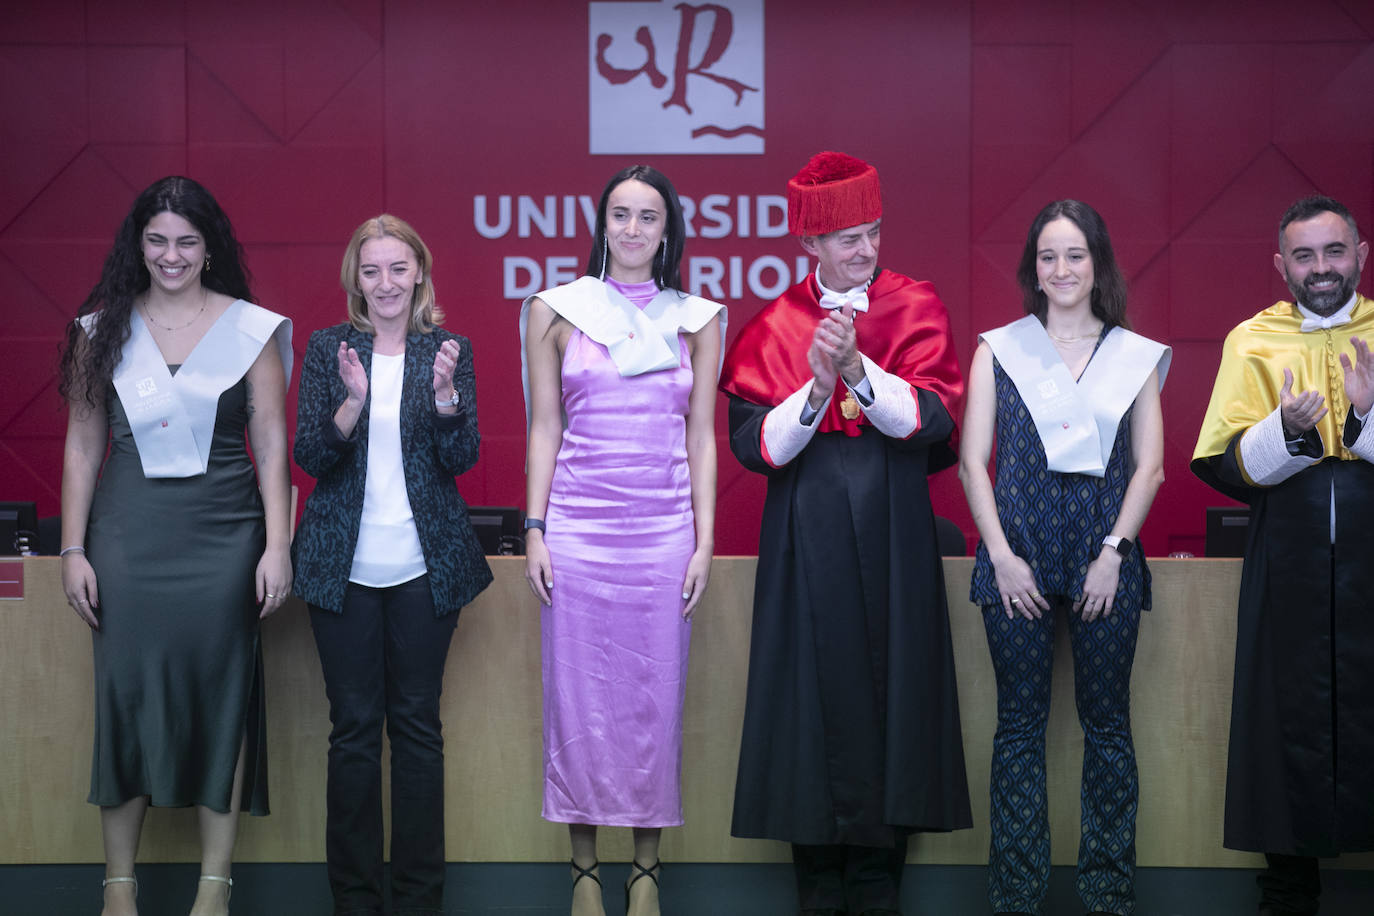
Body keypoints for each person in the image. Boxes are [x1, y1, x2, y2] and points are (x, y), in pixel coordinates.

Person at [719, 150, 970, 916]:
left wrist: (860, 374)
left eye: (873, 232)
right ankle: (817, 882)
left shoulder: (914, 303)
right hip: (806, 538)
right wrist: (816, 391)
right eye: (848, 238)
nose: (864, 250)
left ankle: (877, 881)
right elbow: (755, 449)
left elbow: (931, 423)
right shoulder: (775, 324)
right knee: (807, 697)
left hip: (895, 532)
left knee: (893, 692)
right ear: (810, 246)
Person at [58, 175, 293, 916]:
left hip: (226, 541)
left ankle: (214, 887)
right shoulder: (102, 330)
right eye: (157, 240)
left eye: (187, 241)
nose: (171, 255)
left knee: (222, 699)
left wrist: (277, 546)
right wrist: (72, 549)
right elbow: (81, 447)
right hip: (126, 540)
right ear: (138, 245)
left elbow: (272, 447)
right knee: (124, 698)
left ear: (209, 246)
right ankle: (118, 886)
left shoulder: (249, 330)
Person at [521, 165, 725, 916]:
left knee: (651, 702)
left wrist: (704, 541)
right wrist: (535, 528)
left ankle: (645, 873)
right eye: (620, 215)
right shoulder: (554, 310)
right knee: (575, 700)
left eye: (648, 217)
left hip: (663, 534)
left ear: (668, 230)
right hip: (577, 531)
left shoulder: (699, 318)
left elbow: (700, 435)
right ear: (601, 224)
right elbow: (546, 426)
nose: (633, 229)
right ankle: (583, 872)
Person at [959, 200, 1169, 916]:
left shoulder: (1132, 356)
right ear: (1033, 269)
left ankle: (1108, 892)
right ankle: (1017, 895)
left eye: (1075, 254)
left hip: (1103, 560)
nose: (1062, 269)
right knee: (1018, 728)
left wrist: (1115, 552)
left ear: (1097, 262)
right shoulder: (1000, 349)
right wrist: (1001, 555)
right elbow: (970, 463)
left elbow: (1149, 470)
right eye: (1048, 256)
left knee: (1107, 727)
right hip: (1014, 558)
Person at [292, 214, 493, 916]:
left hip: (423, 568)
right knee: (351, 732)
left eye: (398, 269)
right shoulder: (327, 349)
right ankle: (353, 899)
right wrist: (351, 402)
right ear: (357, 278)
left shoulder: (449, 350)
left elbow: (462, 459)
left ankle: (417, 900)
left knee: (416, 729)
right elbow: (311, 459)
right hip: (339, 570)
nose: (386, 283)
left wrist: (442, 399)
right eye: (372, 270)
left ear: (419, 275)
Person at [1192, 194, 1374, 916]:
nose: (1321, 268)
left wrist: (1362, 417)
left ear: (1361, 253)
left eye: (1334, 251)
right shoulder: (1252, 341)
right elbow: (1223, 464)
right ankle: (1288, 890)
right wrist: (1289, 431)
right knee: (1284, 716)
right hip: (1290, 564)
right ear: (1280, 265)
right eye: (1304, 255)